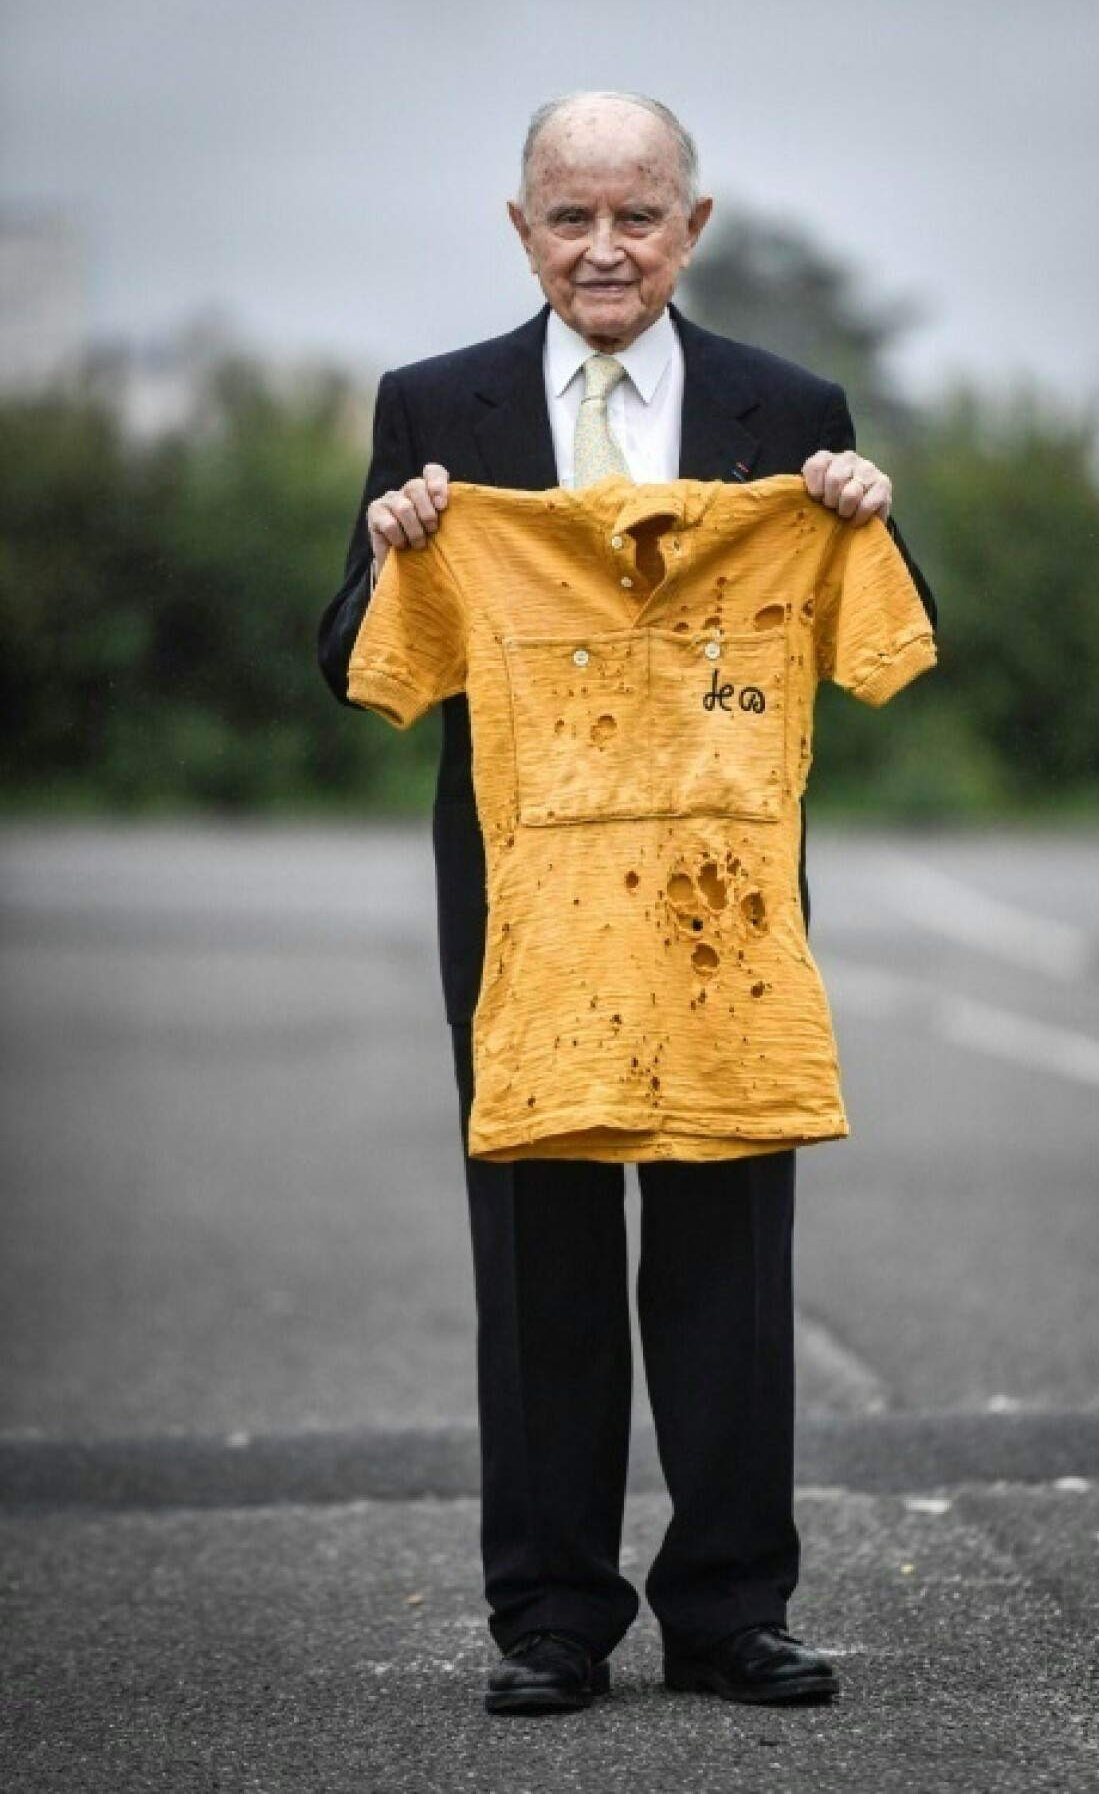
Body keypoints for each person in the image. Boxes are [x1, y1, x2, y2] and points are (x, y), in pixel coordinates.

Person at [318, 90, 936, 1717]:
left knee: (729, 1261)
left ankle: (733, 1609)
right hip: (525, 912)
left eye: (638, 215)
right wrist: (392, 548)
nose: (607, 247)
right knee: (541, 1264)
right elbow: (357, 658)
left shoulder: (783, 405)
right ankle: (552, 1618)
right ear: (521, 228)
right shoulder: (432, 404)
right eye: (572, 217)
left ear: (693, 226)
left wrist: (870, 517)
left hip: (721, 914)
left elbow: (884, 627)